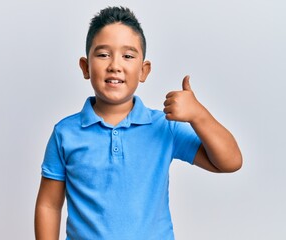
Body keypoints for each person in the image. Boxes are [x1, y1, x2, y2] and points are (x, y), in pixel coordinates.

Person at [34, 6, 242, 240]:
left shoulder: (164, 127)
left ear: (144, 71)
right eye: (103, 54)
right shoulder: (65, 133)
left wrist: (199, 116)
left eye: (128, 56)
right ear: (85, 67)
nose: (115, 65)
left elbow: (230, 162)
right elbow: (49, 205)